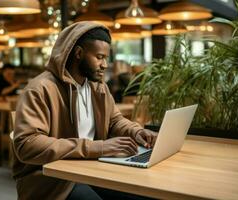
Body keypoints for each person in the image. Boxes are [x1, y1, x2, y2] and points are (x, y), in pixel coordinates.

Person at [12, 21, 157, 200]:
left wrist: (137, 131)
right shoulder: (40, 89)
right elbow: (27, 144)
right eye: (99, 57)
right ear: (79, 53)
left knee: (144, 195)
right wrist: (98, 147)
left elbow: (115, 121)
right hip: (53, 179)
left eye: (106, 58)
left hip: (93, 168)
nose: (105, 64)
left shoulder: (98, 87)